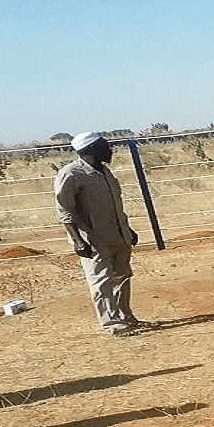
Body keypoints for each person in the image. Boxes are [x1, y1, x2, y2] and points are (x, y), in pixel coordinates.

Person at [54, 132, 145, 337]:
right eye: (104, 146)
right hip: (93, 239)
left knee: (122, 277)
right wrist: (78, 241)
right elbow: (65, 210)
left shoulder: (105, 171)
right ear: (91, 149)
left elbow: (115, 206)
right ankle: (113, 323)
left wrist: (127, 229)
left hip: (118, 234)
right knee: (101, 281)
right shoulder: (70, 174)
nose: (109, 150)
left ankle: (126, 316)